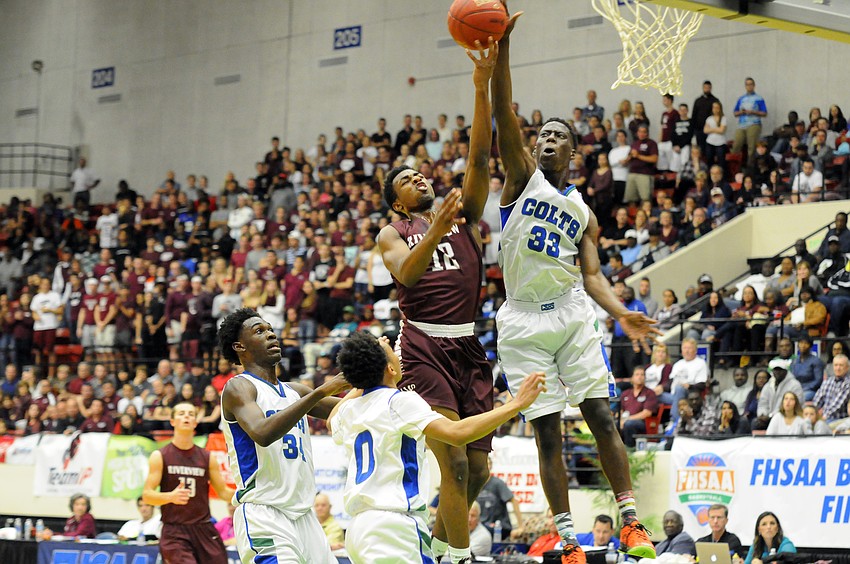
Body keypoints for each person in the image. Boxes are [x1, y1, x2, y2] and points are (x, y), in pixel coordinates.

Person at [491, 10, 659, 563]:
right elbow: (502, 112)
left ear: (573, 153)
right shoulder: (520, 177)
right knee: (546, 435)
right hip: (521, 321)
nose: (547, 140)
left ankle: (632, 522)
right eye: (542, 134)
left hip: (570, 312)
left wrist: (619, 311)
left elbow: (592, 276)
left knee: (602, 416)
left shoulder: (583, 211)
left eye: (558, 136)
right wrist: (501, 53)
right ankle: (567, 540)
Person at [377, 39, 499, 563]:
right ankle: (459, 557)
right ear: (397, 200)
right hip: (422, 346)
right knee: (451, 462)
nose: (419, 177)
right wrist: (435, 228)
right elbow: (406, 270)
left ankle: (438, 537)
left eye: (420, 172)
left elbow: (477, 155)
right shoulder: (392, 231)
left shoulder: (463, 213)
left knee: (480, 469)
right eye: (407, 179)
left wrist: (480, 86)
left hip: (468, 345)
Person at [326, 331, 544, 564]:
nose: (400, 360)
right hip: (394, 526)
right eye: (395, 356)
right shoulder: (399, 401)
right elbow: (456, 434)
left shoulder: (348, 410)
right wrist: (516, 405)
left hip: (358, 529)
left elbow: (330, 420)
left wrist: (364, 377)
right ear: (390, 369)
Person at [217, 308, 348, 564]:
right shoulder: (239, 387)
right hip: (264, 515)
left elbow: (348, 410)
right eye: (259, 331)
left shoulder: (294, 391)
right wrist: (320, 392)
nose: (270, 335)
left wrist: (374, 378)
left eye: (269, 329)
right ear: (239, 346)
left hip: (304, 517)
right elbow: (262, 433)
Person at [142, 401, 232, 563]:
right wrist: (170, 497)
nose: (186, 417)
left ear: (195, 422)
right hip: (174, 531)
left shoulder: (207, 457)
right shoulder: (160, 456)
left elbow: (224, 492)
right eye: (182, 413)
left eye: (191, 414)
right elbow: (147, 496)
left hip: (203, 528)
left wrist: (248, 494)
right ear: (172, 421)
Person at [477, 456, 524, 539]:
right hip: (481, 526)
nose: (485, 467)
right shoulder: (475, 485)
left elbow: (514, 501)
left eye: (488, 464)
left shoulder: (497, 483)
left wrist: (520, 526)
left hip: (499, 527)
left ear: (491, 466)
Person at [731, 77, 768, 170]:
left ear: (754, 86)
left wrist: (753, 112)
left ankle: (750, 169)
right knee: (736, 145)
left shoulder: (759, 98)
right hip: (742, 125)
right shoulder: (741, 99)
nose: (749, 86)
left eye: (751, 84)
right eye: (747, 84)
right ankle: (734, 168)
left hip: (754, 124)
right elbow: (735, 113)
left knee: (752, 148)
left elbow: (764, 113)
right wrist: (742, 112)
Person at [619, 367, 658, 447]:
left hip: (643, 423)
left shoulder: (650, 393)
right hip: (625, 419)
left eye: (642, 375)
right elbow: (622, 410)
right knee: (613, 424)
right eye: (637, 374)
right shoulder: (625, 394)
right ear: (632, 378)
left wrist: (627, 419)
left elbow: (646, 413)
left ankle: (630, 449)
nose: (640, 377)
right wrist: (621, 420)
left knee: (629, 424)